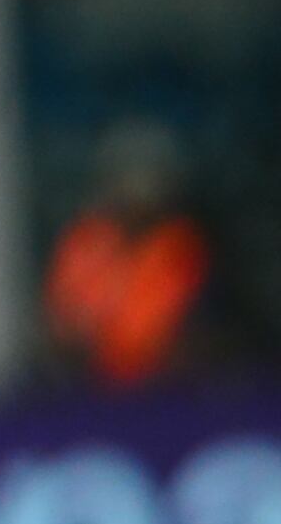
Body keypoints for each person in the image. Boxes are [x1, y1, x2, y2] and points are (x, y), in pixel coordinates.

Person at [45, 125, 215, 389]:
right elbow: (61, 322)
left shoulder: (181, 245)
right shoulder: (86, 240)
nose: (136, 194)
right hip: (89, 386)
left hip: (168, 387)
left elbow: (194, 327)